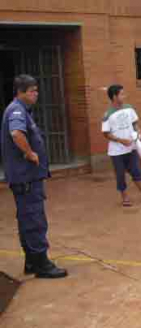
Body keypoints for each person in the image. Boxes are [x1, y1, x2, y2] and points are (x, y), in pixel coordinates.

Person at [1, 74, 67, 278]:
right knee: (34, 219)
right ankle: (41, 264)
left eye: (36, 90)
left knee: (27, 219)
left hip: (25, 177)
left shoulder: (21, 110)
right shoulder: (17, 111)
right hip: (26, 178)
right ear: (20, 92)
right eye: (32, 91)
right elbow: (16, 134)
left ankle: (31, 261)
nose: (36, 94)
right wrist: (30, 153)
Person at [102, 84, 141, 206]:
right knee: (120, 174)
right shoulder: (108, 114)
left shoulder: (129, 108)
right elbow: (106, 134)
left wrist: (138, 132)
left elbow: (135, 123)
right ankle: (125, 198)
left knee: (137, 172)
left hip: (131, 148)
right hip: (116, 151)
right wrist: (120, 140)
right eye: (121, 94)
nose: (124, 96)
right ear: (114, 97)